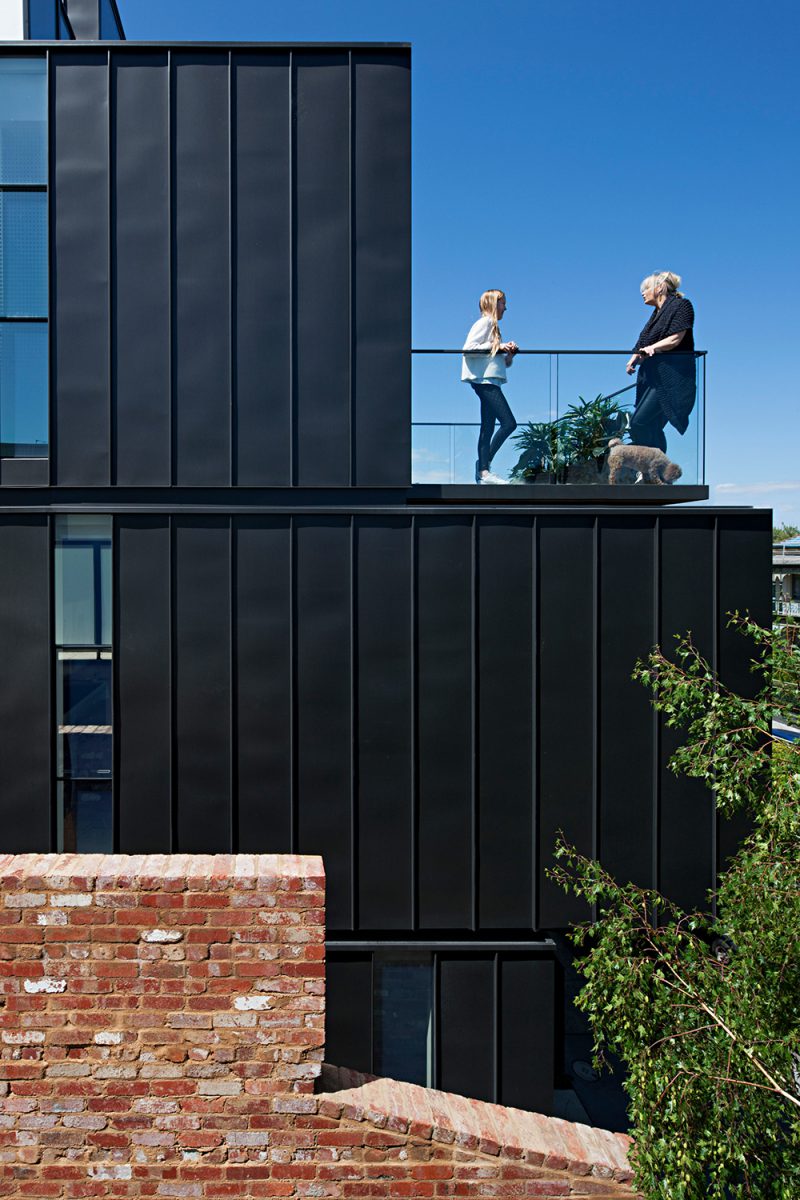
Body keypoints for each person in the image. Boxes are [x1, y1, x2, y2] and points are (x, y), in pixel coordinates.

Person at [625, 271, 696, 452]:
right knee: (652, 426)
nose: (643, 293)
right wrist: (634, 357)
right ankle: (658, 474)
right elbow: (643, 341)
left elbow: (675, 338)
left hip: (671, 380)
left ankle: (654, 466)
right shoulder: (656, 315)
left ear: (660, 287)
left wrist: (654, 348)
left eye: (646, 288)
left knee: (638, 422)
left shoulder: (681, 306)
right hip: (653, 379)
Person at [462, 289, 519, 484]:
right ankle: (483, 467)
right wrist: (499, 347)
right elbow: (469, 348)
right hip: (484, 382)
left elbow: (501, 363)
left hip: (491, 380)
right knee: (509, 423)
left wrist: (508, 354)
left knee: (488, 427)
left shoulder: (494, 327)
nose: (506, 307)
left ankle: (484, 471)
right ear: (493, 304)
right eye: (503, 303)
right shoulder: (485, 322)